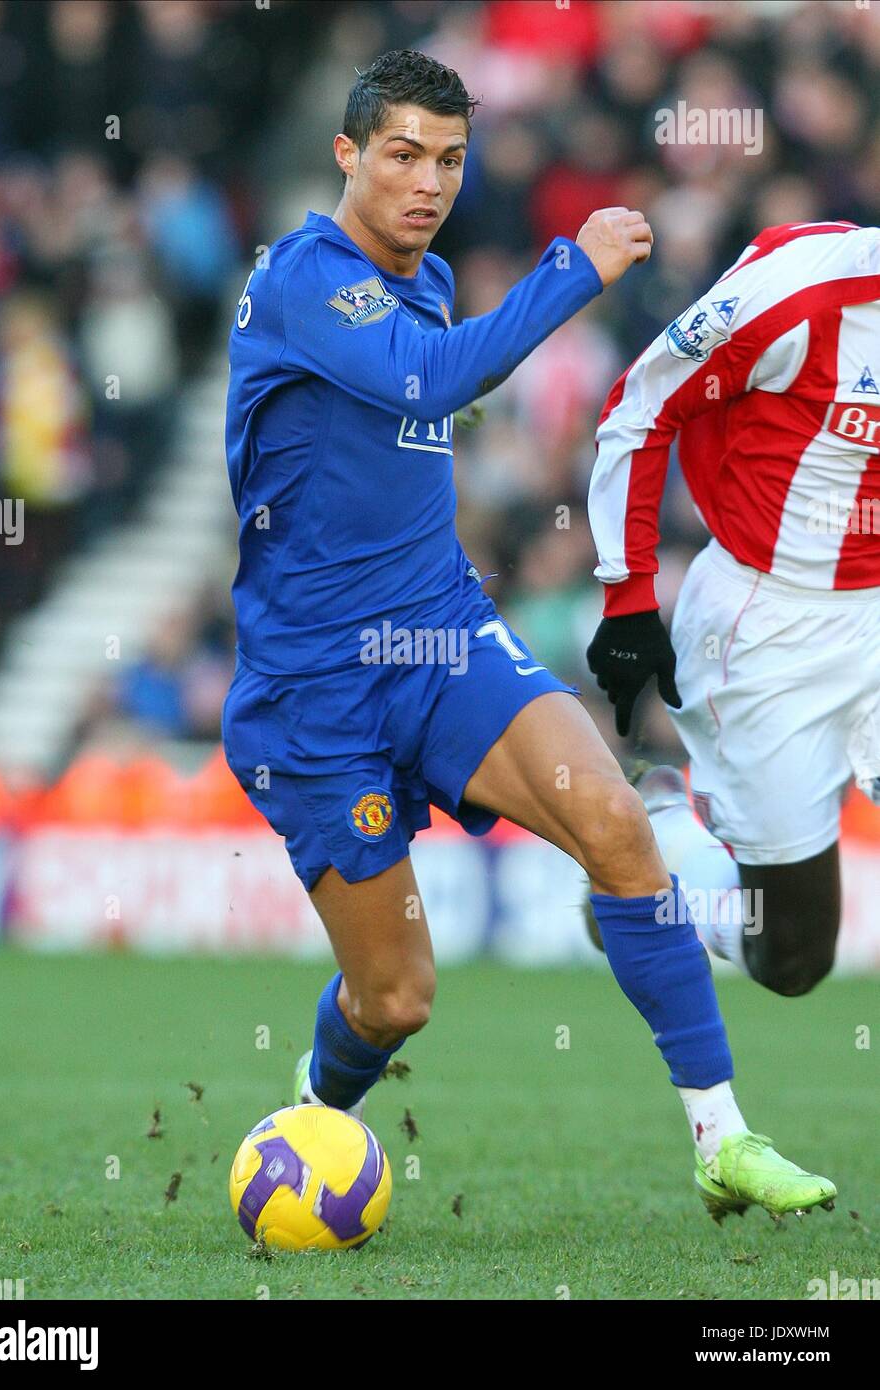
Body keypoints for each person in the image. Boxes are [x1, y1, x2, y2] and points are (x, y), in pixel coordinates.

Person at [223, 49, 835, 1221]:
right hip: (316, 690)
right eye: (401, 154)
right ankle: (317, 1102)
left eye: (449, 160)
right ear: (347, 153)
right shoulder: (303, 279)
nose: (427, 183)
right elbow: (427, 384)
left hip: (443, 638)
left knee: (616, 824)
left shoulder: (430, 277)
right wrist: (577, 266)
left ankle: (721, 1134)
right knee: (396, 998)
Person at [587, 218, 880, 999]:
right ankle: (657, 851)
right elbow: (639, 407)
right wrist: (627, 601)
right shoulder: (803, 296)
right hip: (768, 625)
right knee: (791, 957)